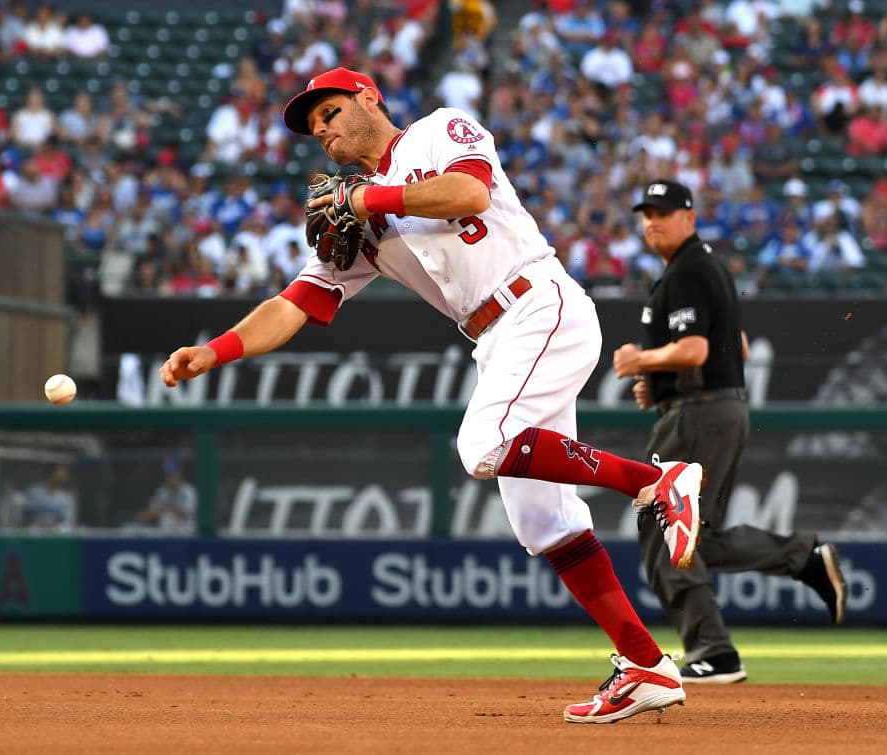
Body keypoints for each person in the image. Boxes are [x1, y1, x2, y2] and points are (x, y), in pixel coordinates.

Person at [160, 67, 706, 724]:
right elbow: (296, 302)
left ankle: (657, 482)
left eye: (330, 112)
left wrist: (370, 200)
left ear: (368, 98)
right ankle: (645, 663)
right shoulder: (356, 219)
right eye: (313, 127)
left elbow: (468, 193)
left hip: (538, 302)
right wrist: (215, 351)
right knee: (545, 523)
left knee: (484, 444)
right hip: (494, 336)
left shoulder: (438, 131)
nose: (322, 131)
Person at [613, 179, 849, 684]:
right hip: (713, 409)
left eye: (663, 213)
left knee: (663, 524)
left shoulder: (689, 269)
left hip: (697, 414)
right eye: (646, 214)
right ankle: (804, 558)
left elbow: (695, 350)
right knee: (699, 535)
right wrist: (661, 382)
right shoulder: (703, 267)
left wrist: (642, 361)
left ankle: (714, 651)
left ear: (689, 218)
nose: (652, 222)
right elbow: (736, 346)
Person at [133, 458, 197, 534]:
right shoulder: (162, 491)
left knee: (168, 518)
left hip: (186, 531)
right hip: (166, 531)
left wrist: (160, 512)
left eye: (171, 474)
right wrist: (143, 515)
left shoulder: (188, 490)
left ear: (178, 474)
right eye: (166, 474)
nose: (168, 477)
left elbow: (183, 513)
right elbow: (152, 509)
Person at [23, 463, 76, 531]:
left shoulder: (64, 496)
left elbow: (65, 517)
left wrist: (56, 523)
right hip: (35, 527)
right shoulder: (35, 491)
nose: (61, 477)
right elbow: (28, 512)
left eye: (62, 475)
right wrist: (39, 522)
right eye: (58, 474)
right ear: (49, 475)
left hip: (56, 529)